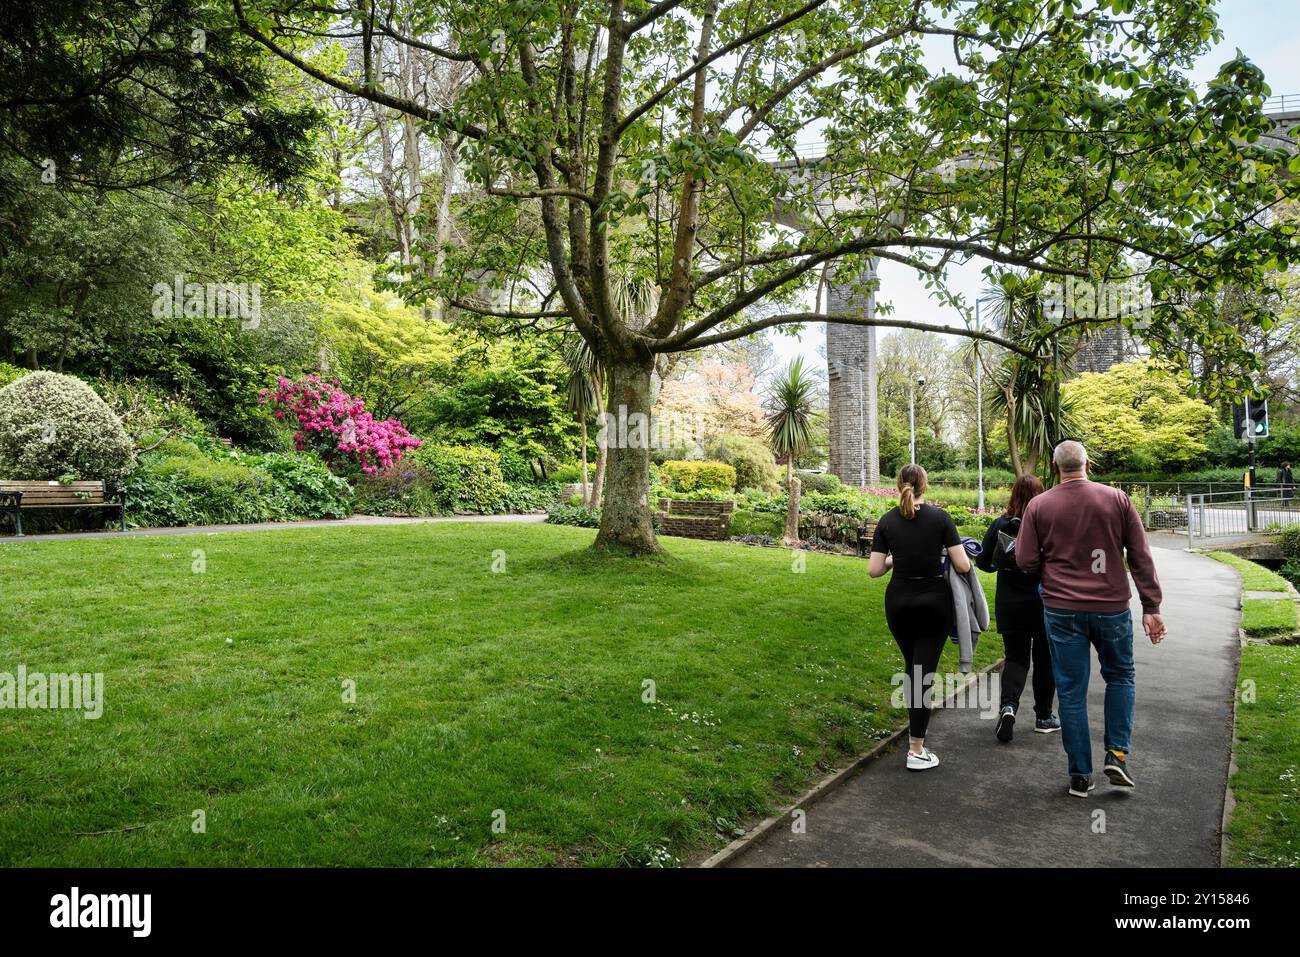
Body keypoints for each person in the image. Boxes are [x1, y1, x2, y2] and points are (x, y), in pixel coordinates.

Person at [1016, 441, 1166, 798]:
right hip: (1111, 607)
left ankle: (1080, 774)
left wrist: (1049, 576)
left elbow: (1024, 559)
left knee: (1070, 691)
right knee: (1120, 677)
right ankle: (1116, 754)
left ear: (1055, 469)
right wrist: (1151, 606)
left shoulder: (1039, 505)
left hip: (1062, 609)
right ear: (1089, 465)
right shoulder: (1117, 500)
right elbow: (1140, 556)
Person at [869, 463, 972, 772]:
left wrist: (891, 560)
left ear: (899, 484)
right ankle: (916, 749)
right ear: (924, 485)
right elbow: (963, 566)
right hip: (933, 604)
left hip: (898, 603)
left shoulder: (887, 521)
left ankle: (915, 739)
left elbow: (874, 571)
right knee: (921, 673)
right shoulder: (940, 518)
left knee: (914, 667)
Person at [976, 474, 1058, 742]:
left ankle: (1008, 707)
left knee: (1016, 658)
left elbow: (984, 563)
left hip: (1010, 603)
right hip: (1045, 601)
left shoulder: (1001, 524)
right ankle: (1044, 716)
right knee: (1045, 658)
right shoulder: (1048, 524)